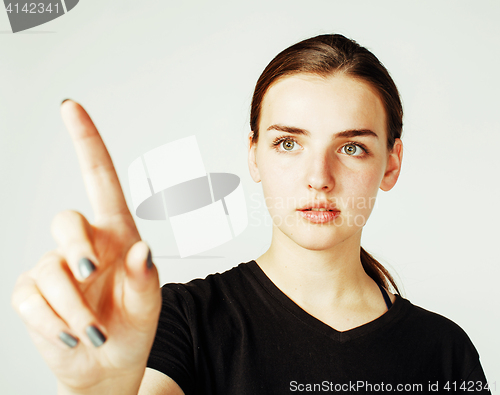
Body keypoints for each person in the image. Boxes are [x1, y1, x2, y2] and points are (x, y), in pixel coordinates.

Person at [11, 34, 490, 395]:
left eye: (351, 147)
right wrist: (109, 390)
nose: (318, 177)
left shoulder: (444, 352)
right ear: (254, 155)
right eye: (288, 143)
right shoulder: (182, 319)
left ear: (391, 162)